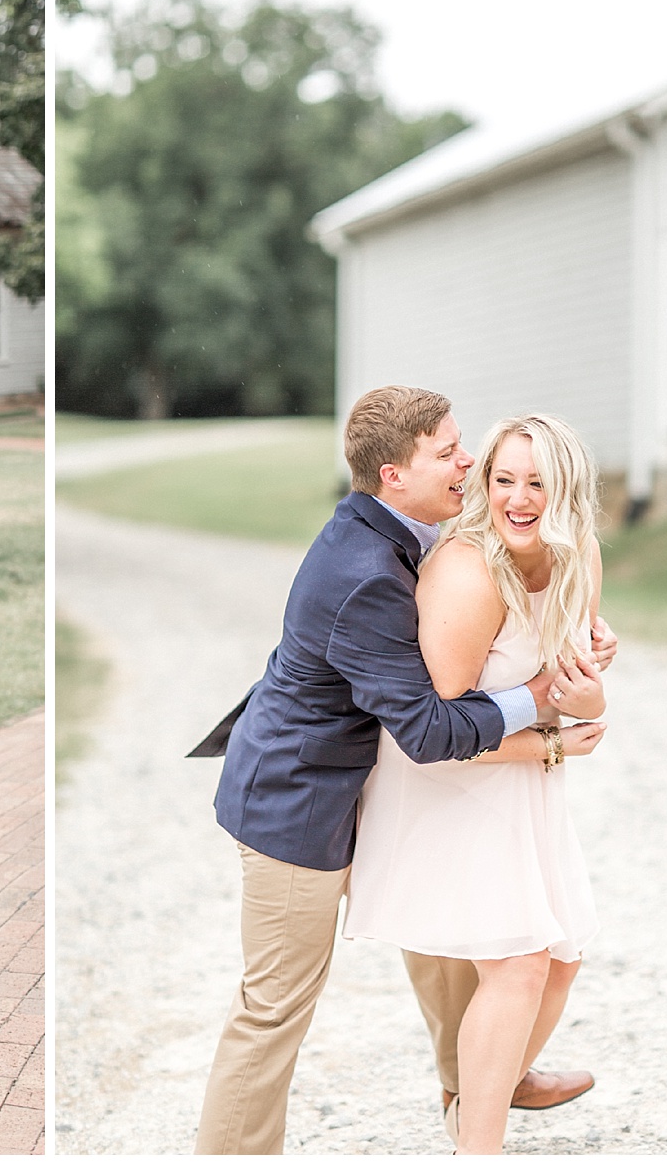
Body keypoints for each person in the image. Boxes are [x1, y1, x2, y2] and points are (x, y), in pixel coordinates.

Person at [193, 385, 614, 1154]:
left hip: (386, 781)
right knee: (274, 1005)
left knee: (464, 945)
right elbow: (426, 729)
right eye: (449, 452)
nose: (469, 461)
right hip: (302, 800)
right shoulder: (362, 569)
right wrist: (542, 708)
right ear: (394, 474)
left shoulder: (415, 527)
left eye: (463, 445)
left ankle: (487, 1084)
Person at [342, 413, 608, 1153]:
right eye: (503, 480)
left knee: (561, 959)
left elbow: (584, 697)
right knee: (522, 962)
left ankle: (477, 1104)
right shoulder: (466, 569)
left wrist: (579, 700)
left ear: (568, 491)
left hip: (525, 780)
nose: (518, 500)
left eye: (538, 483)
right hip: (448, 783)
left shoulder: (578, 554)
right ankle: (479, 1144)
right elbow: (432, 731)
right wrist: (549, 740)